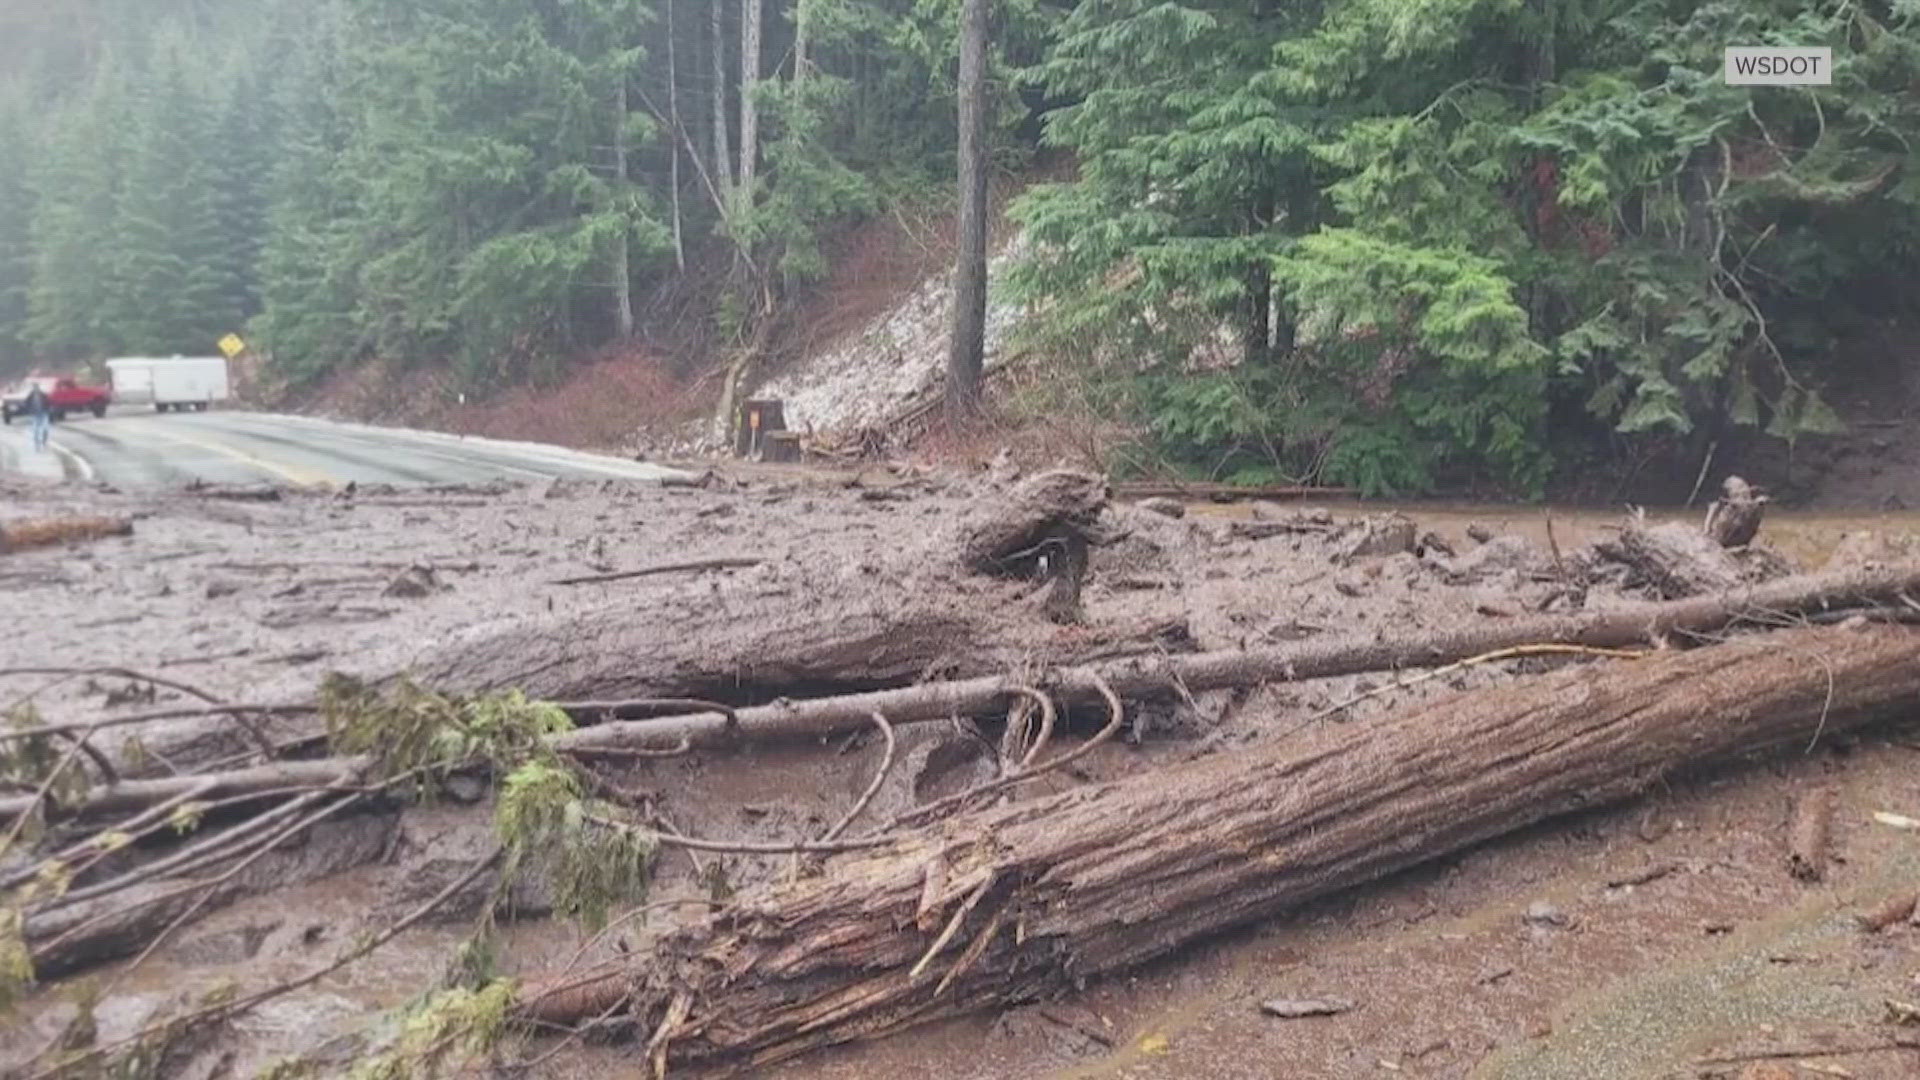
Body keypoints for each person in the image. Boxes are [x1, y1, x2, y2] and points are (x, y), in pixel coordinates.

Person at [23, 379, 50, 452]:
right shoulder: (31, 395)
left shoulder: (43, 394)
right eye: (34, 386)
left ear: (39, 387)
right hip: (35, 414)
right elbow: (26, 403)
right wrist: (29, 410)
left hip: (44, 413)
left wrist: (48, 409)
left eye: (37, 386)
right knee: (35, 430)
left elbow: (49, 402)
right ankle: (37, 444)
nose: (36, 388)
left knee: (45, 428)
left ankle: (44, 442)